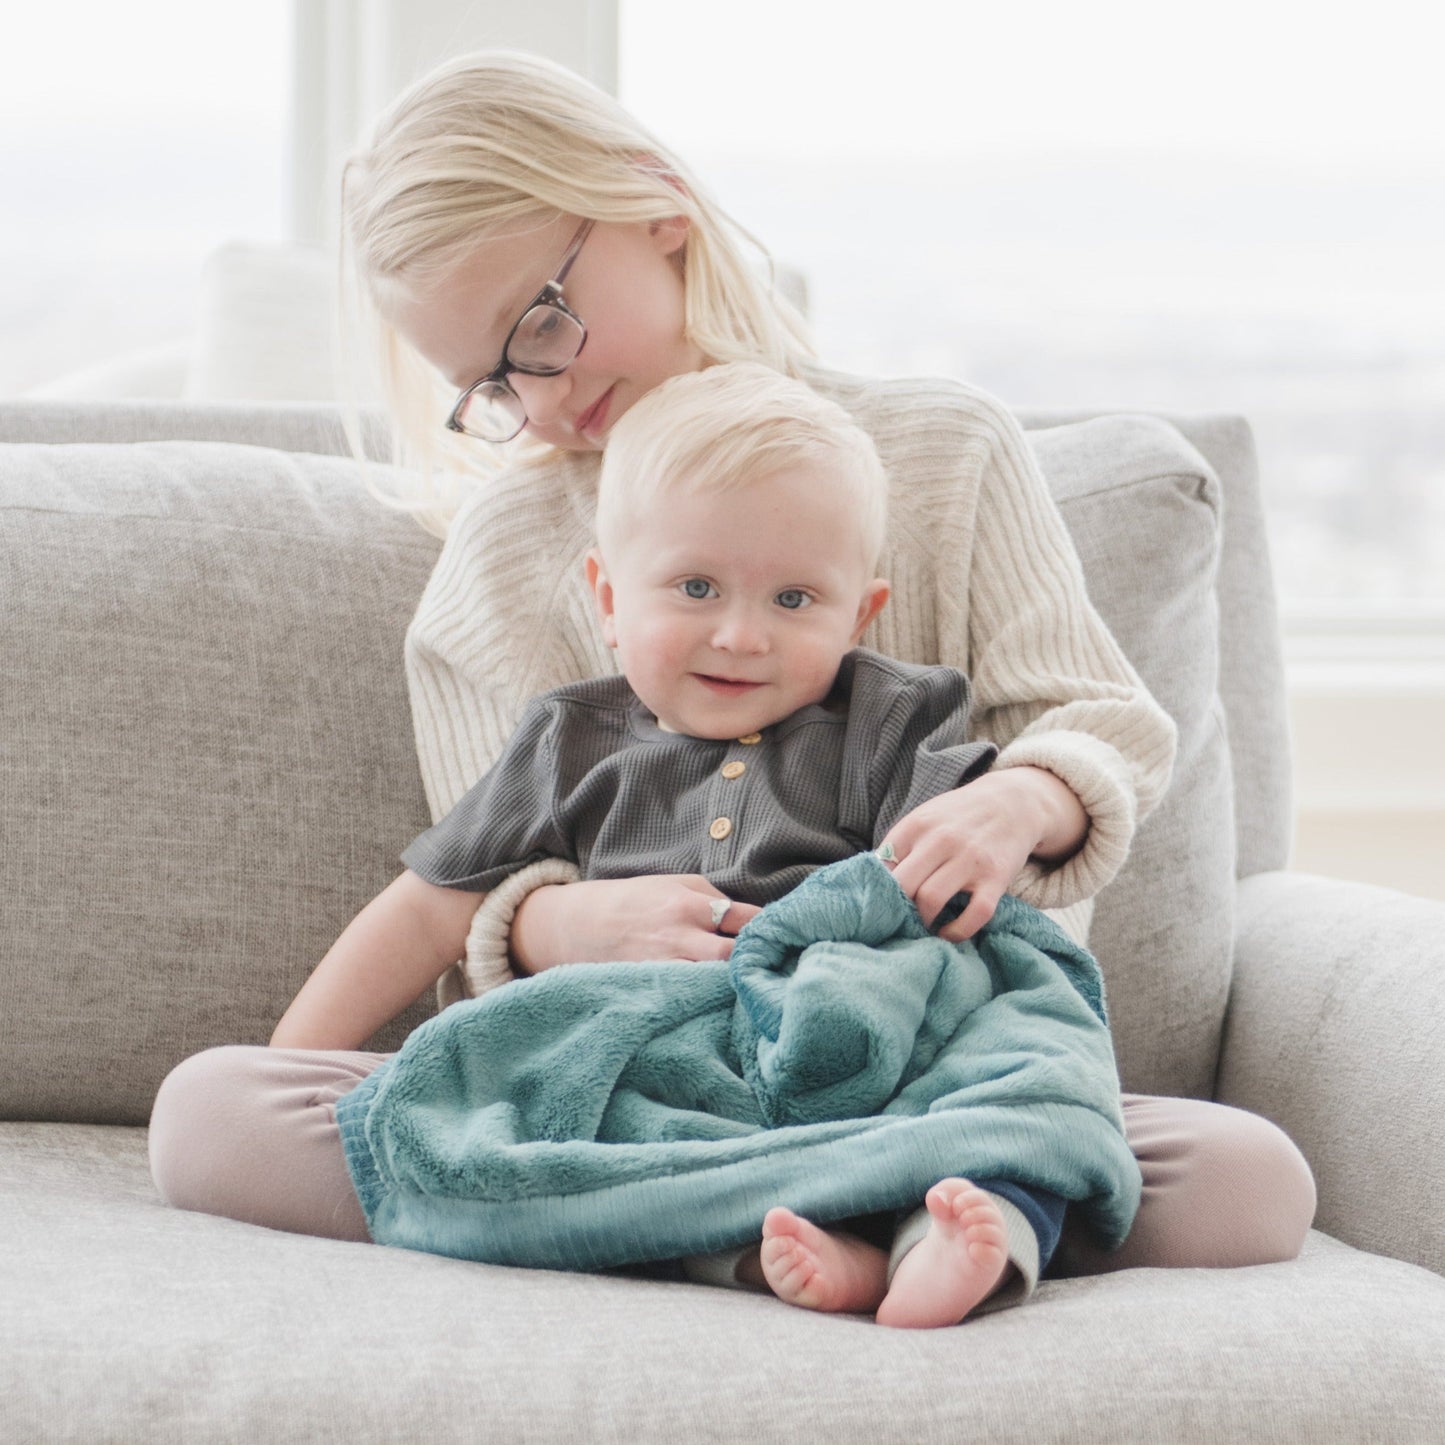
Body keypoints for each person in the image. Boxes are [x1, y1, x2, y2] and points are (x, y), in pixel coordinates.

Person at [149, 48, 1315, 1296]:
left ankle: (712, 1222)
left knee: (1249, 1181)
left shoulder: (942, 453)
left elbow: (1095, 724)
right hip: (645, 1071)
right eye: (490, 381)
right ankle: (845, 1222)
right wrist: (547, 923)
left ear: (659, 212)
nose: (538, 395)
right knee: (216, 1113)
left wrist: (1011, 802)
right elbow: (471, 880)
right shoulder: (508, 559)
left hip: (917, 1057)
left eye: (539, 326)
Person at [317, 361, 1131, 1327]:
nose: (741, 636)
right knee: (245, 1110)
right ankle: (773, 1243)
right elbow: (426, 909)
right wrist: (292, 1058)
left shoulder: (891, 717)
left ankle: (949, 1232)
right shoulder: (565, 739)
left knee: (1037, 1037)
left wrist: (1035, 802)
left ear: (857, 613)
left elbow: (979, 859)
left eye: (793, 601)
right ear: (608, 598)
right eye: (696, 587)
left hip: (862, 1058)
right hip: (669, 1057)